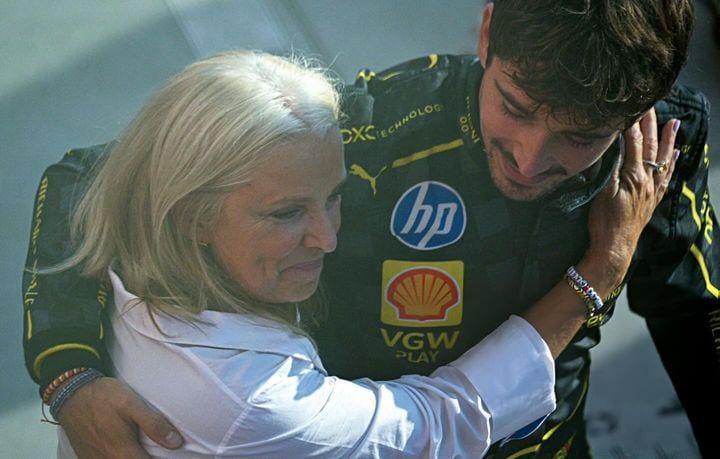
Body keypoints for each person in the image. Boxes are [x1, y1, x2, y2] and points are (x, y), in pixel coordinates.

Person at [22, 0, 719, 457]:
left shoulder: (660, 146)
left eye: (580, 137)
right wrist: (67, 372)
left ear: (640, 110)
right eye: (515, 105)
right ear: (486, 33)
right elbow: (87, 177)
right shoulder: (373, 123)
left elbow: (695, 307)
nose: (532, 159)